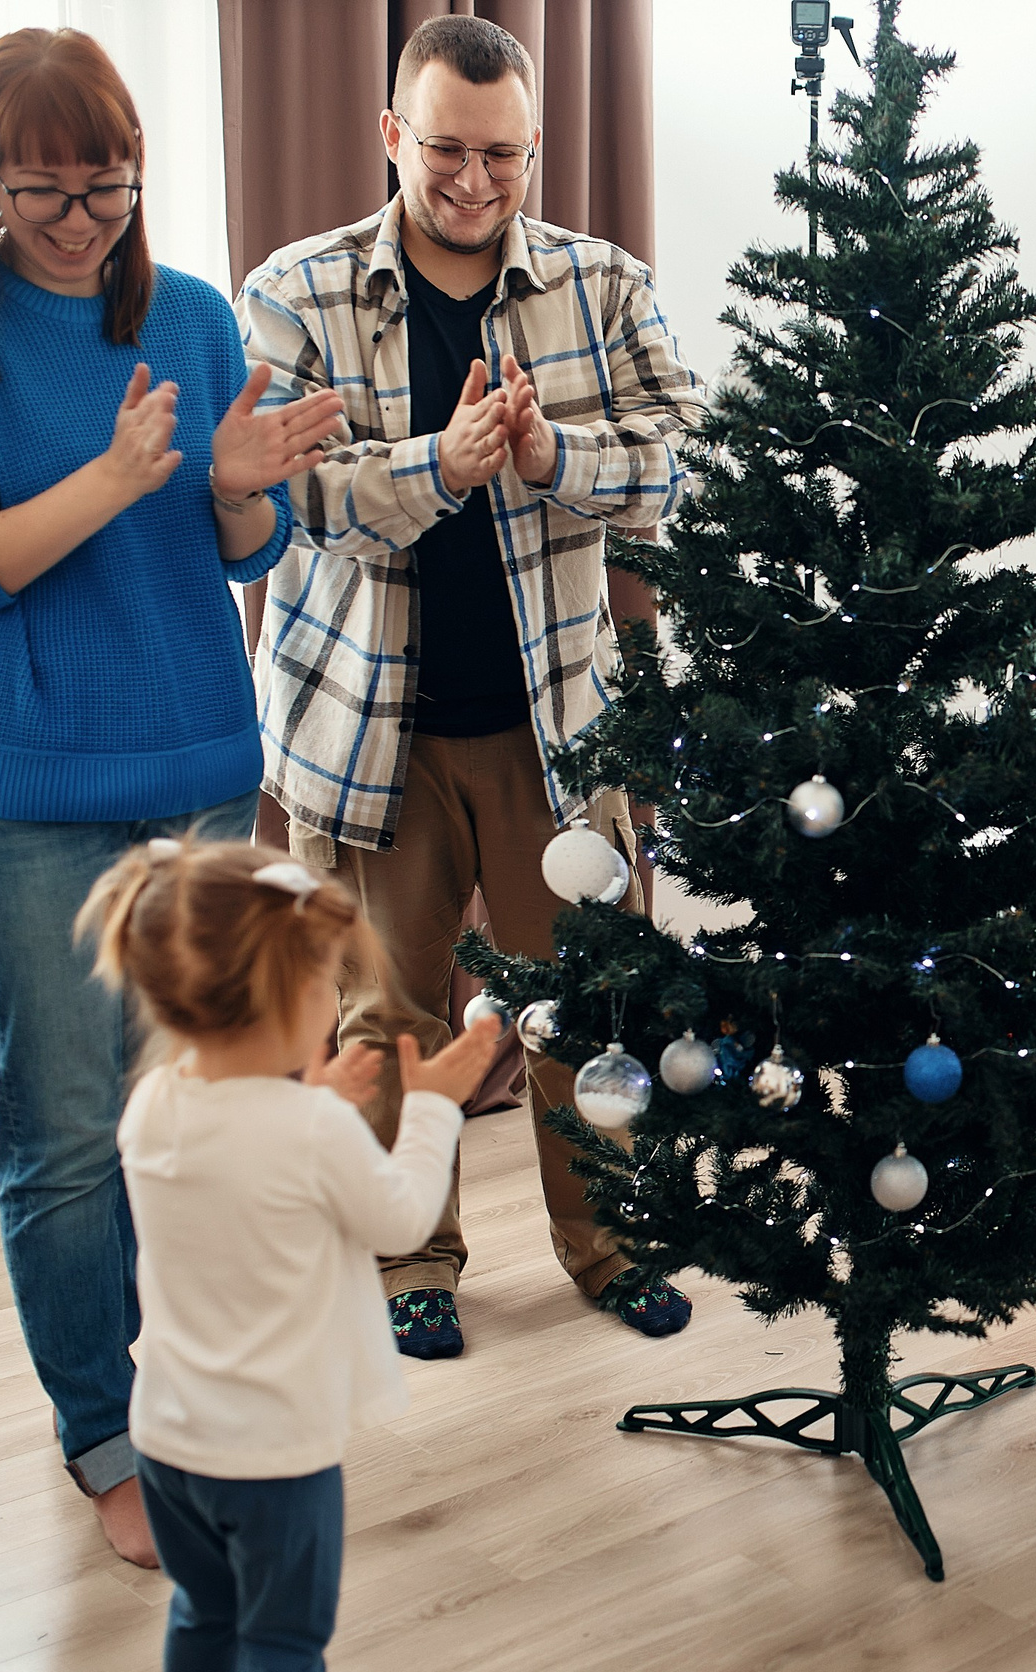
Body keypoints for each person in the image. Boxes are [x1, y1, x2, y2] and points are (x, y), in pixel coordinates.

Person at [0, 27, 345, 1568]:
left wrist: (235, 486)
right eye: (48, 192)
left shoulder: (190, 319)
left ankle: (200, 1402)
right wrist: (121, 482)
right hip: (18, 795)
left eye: (109, 189)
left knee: (189, 1126)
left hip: (193, 788)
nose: (83, 222)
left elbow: (239, 557)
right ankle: (107, 1439)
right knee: (67, 1138)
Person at [239, 15, 707, 1358]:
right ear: (393, 136)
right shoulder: (296, 289)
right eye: (445, 147)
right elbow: (282, 498)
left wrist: (554, 457)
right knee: (388, 1024)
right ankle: (412, 1262)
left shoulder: (604, 284)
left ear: (535, 145)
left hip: (557, 728)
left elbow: (683, 462)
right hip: (362, 738)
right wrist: (436, 469)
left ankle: (606, 1244)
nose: (474, 178)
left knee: (586, 1007)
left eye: (503, 153)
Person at [79, 838, 499, 1672]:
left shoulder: (153, 1105)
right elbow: (402, 1216)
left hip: (166, 1438)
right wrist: (431, 1108)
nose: (336, 996)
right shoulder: (312, 1135)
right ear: (285, 1001)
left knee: (206, 1612)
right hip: (272, 1457)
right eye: (326, 981)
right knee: (283, 1648)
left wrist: (316, 1101)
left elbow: (249, 1151)